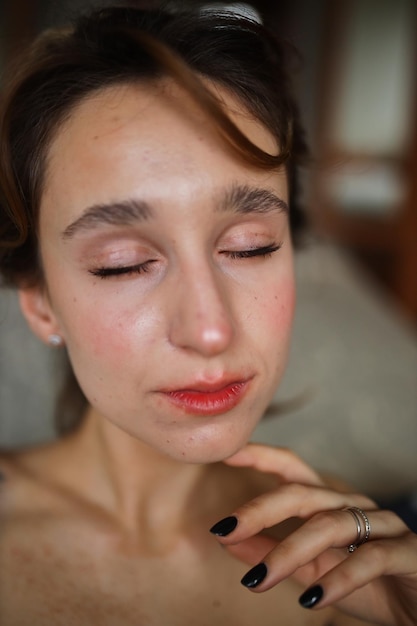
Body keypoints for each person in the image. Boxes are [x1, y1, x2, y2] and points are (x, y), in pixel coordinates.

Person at [0, 3, 416, 625]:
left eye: (251, 247)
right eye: (123, 262)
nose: (211, 329)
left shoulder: (351, 548)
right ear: (40, 302)